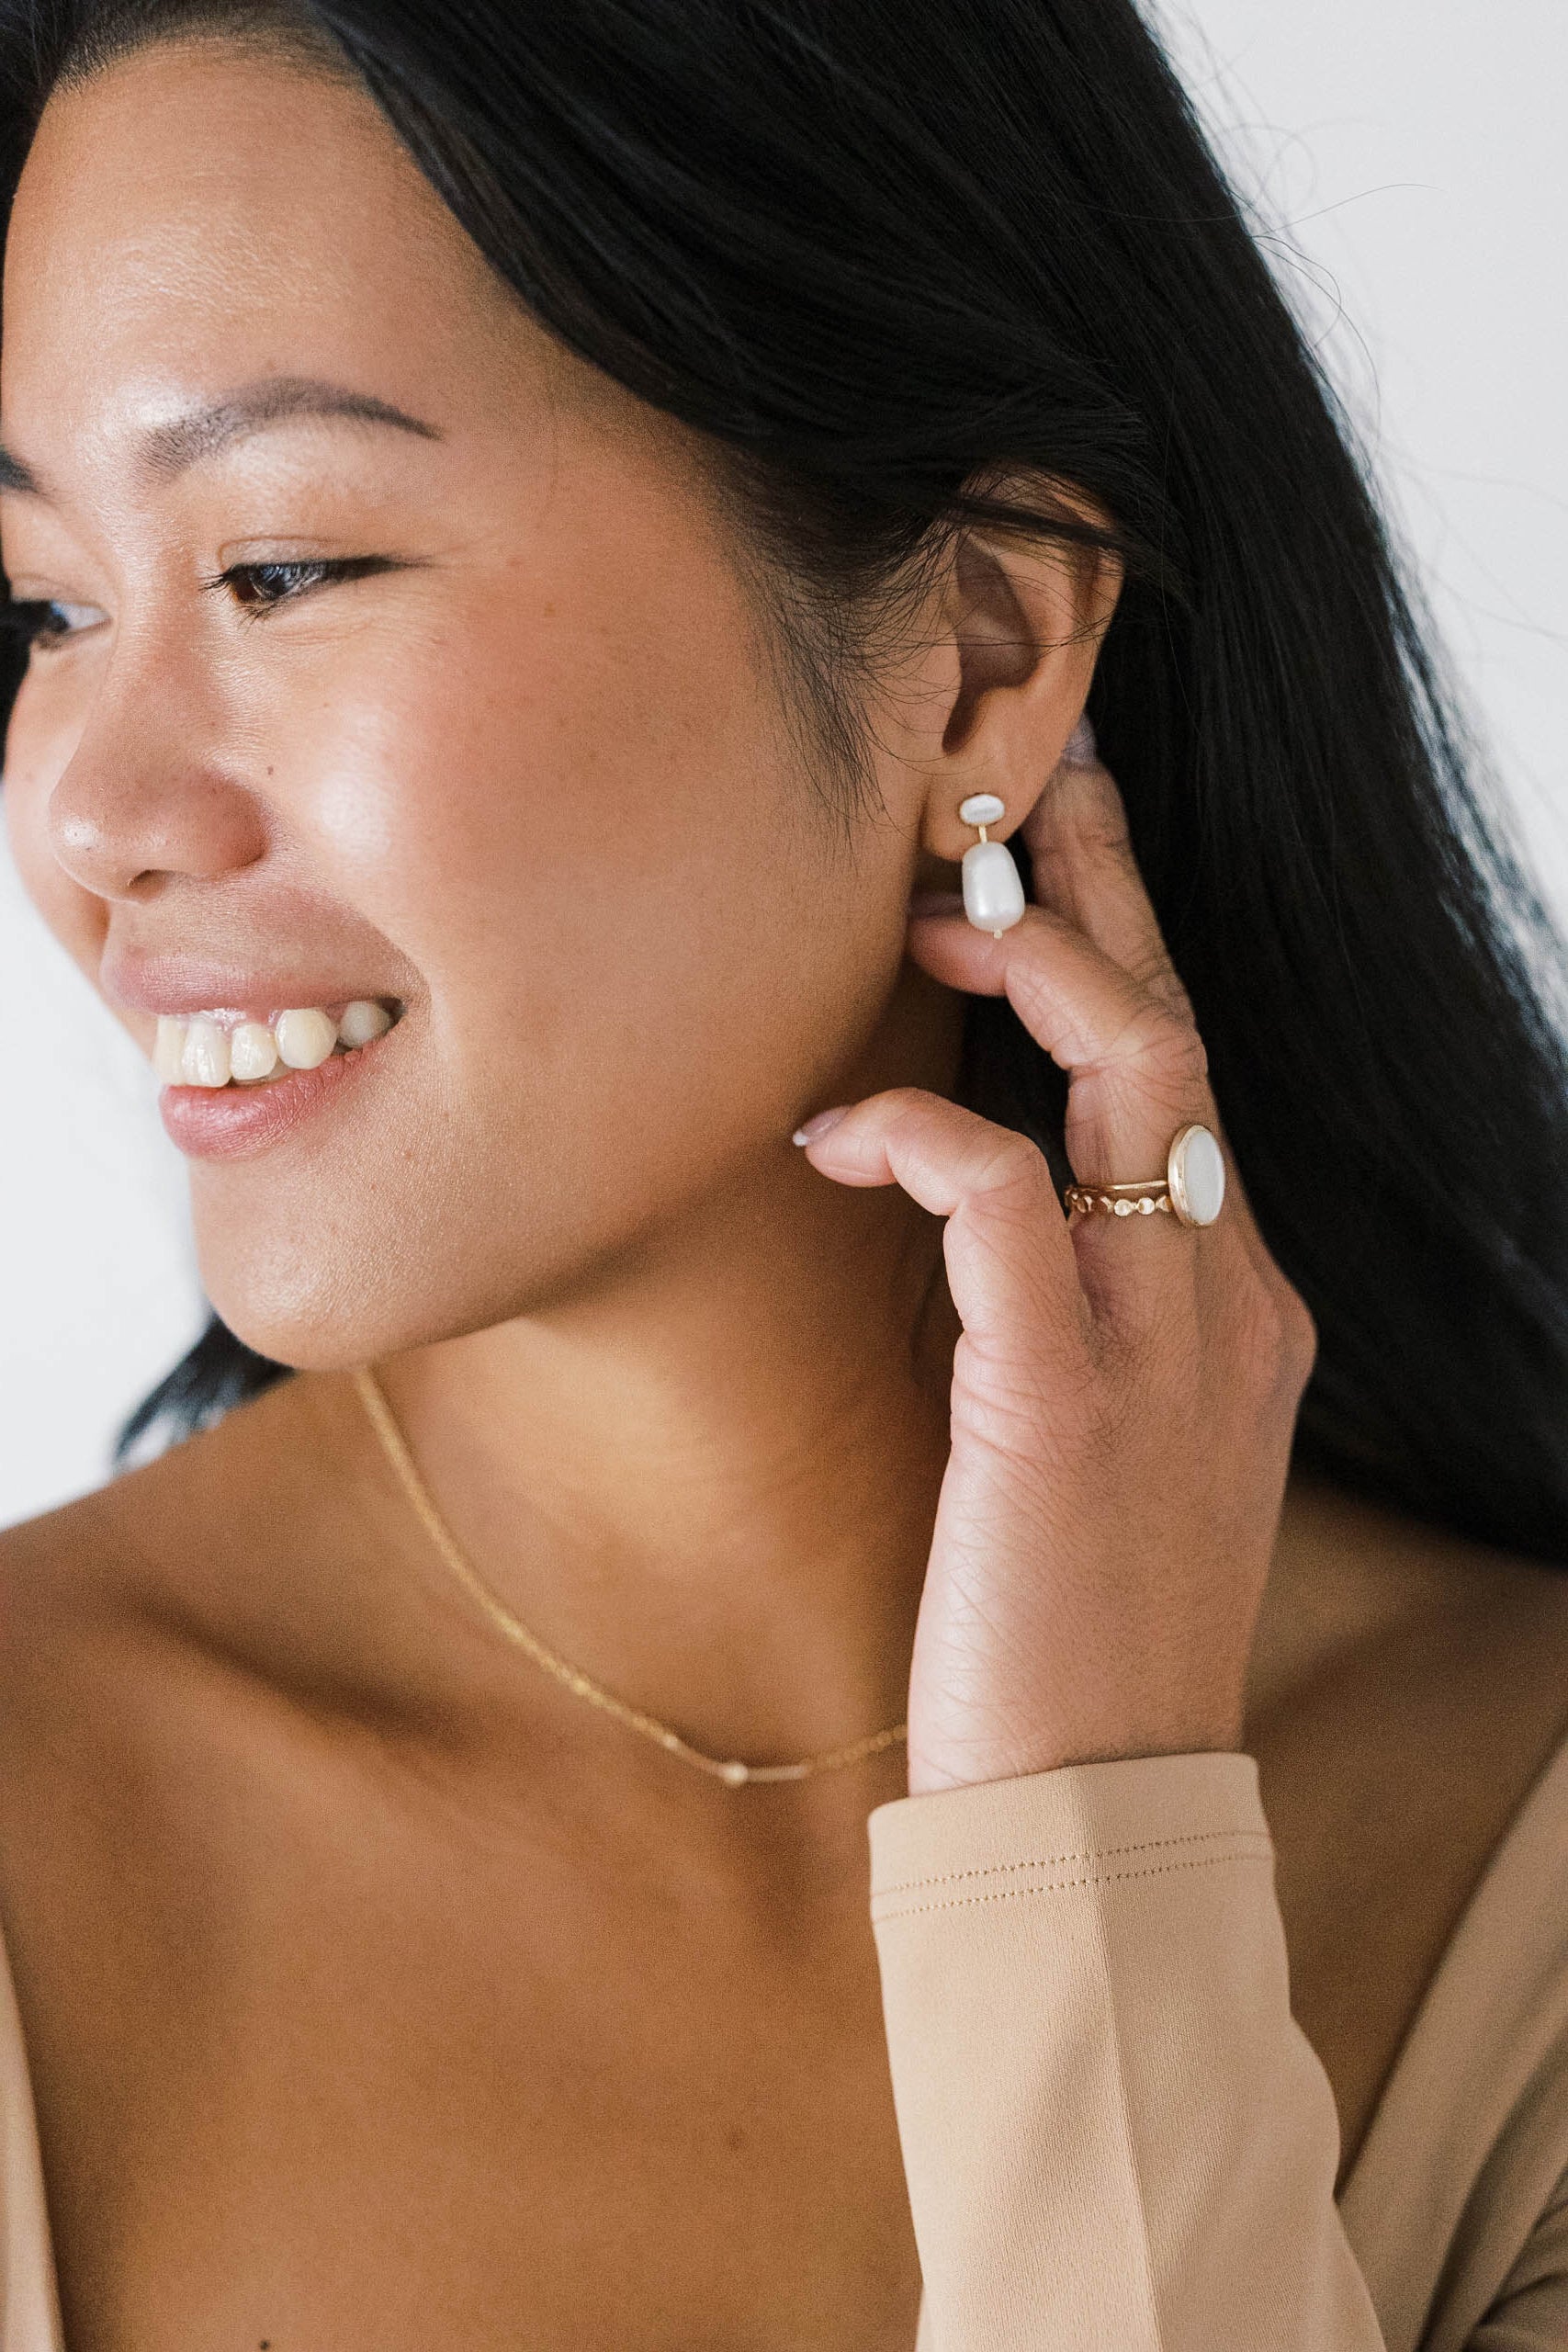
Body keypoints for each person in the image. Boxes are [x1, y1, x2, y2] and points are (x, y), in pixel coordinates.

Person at [1, 1, 1566, 2345]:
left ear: (976, 649)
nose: (94, 820)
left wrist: (1092, 1831)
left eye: (288, 567)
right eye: (45, 608)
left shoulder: (1513, 1884)